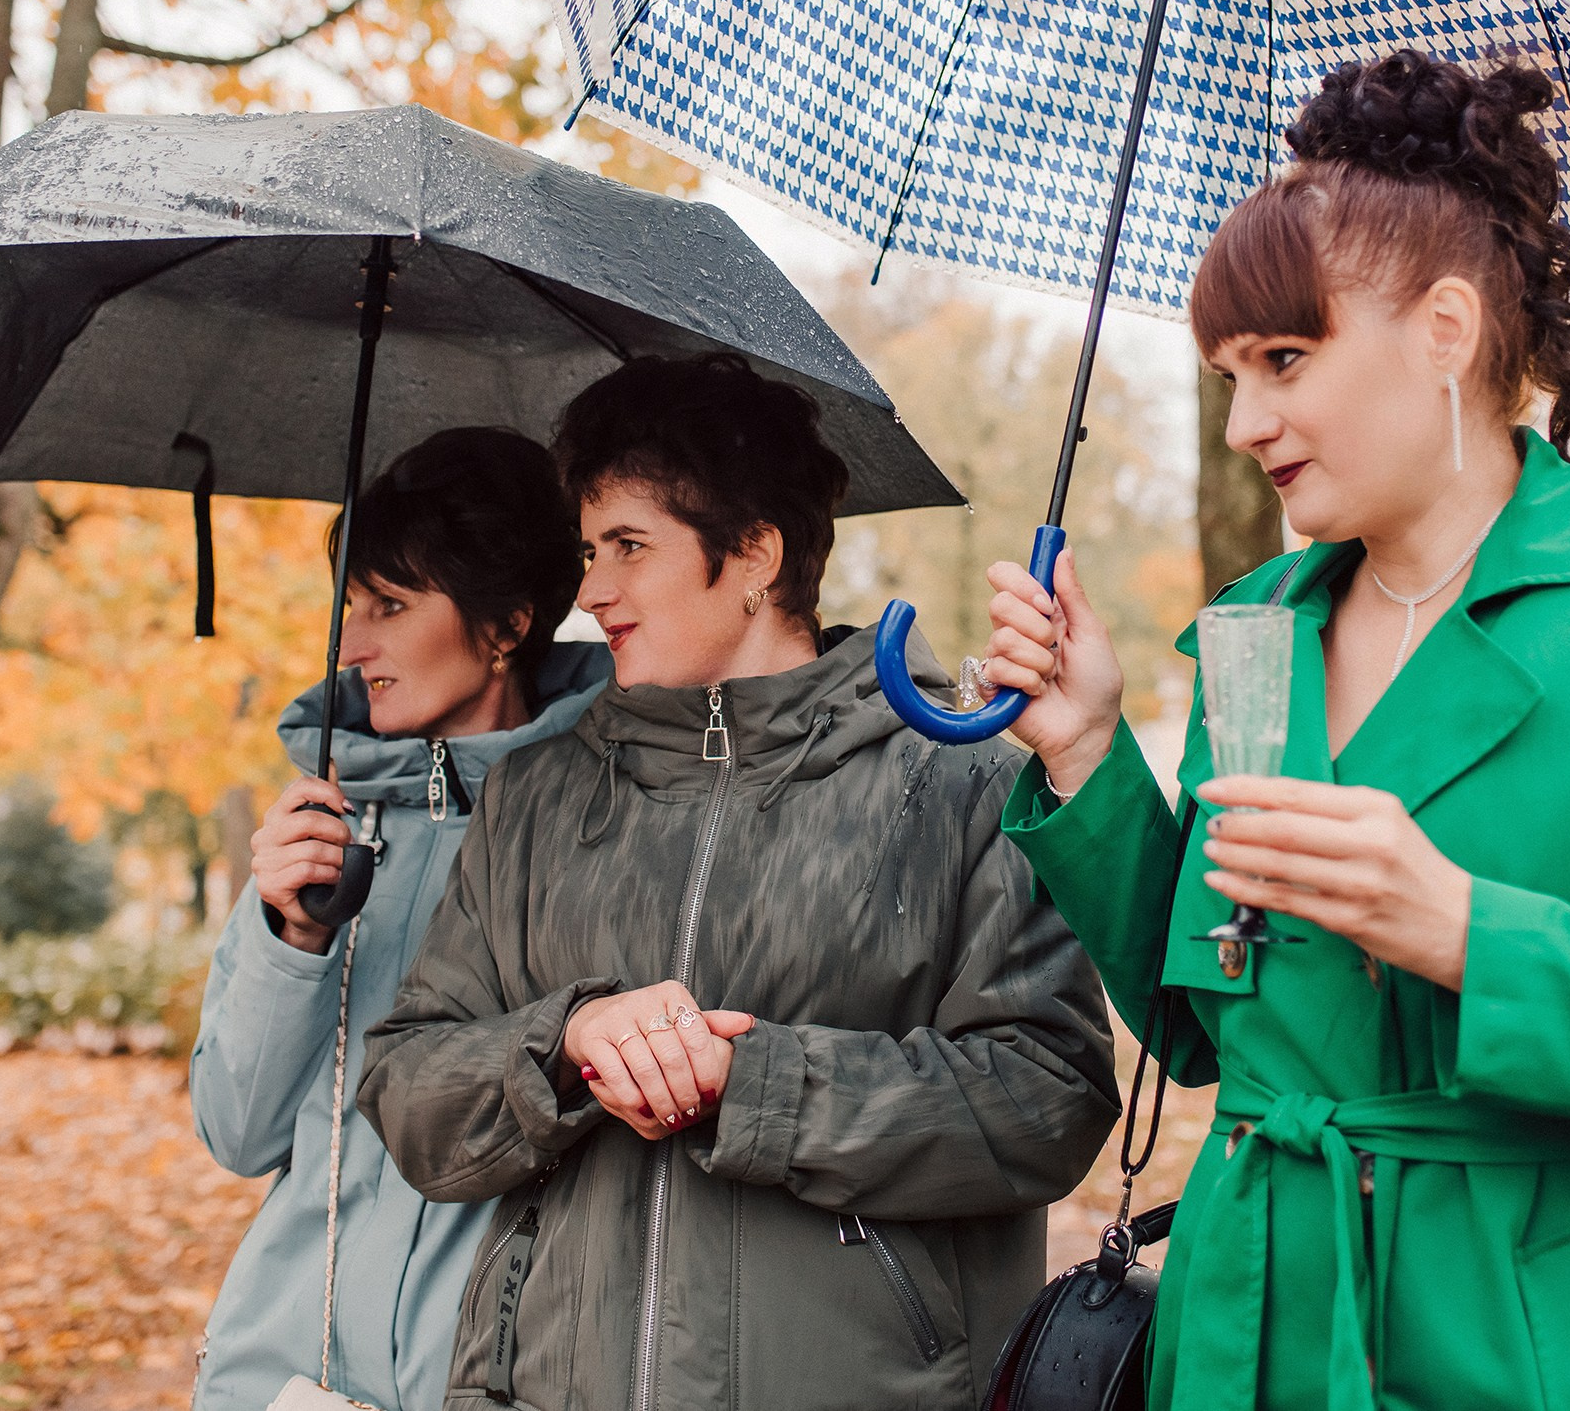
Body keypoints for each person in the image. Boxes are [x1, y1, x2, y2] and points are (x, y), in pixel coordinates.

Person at [980, 50, 1570, 1411]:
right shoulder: (1258, 630)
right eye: (1227, 375)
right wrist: (1087, 747)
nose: (1246, 421)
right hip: (1257, 1332)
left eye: (1284, 359)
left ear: (1443, 330)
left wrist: (1472, 936)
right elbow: (1209, 1028)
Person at [356, 353, 1119, 1411]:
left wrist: (754, 1083)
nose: (592, 589)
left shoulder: (958, 783)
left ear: (756, 551)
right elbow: (406, 1087)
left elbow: (1048, 1097)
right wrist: (567, 1042)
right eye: (588, 549)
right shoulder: (535, 796)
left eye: (630, 545)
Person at [188, 427, 608, 1411]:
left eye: (390, 604)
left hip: (482, 1375)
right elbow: (237, 1133)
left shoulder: (605, 823)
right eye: (350, 605)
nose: (351, 646)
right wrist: (292, 937)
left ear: (506, 623)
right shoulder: (320, 828)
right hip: (281, 1371)